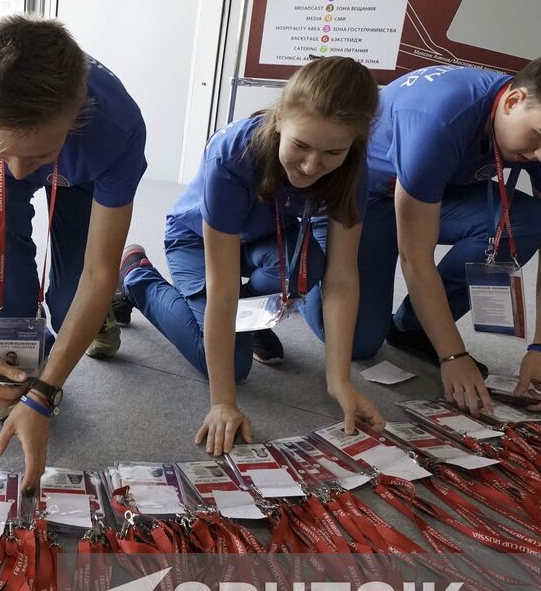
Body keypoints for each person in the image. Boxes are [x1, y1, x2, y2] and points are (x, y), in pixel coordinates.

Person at [306, 40, 541, 417]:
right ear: (512, 101)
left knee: (531, 221)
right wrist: (453, 355)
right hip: (365, 198)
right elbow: (414, 255)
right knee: (357, 342)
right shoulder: (440, 119)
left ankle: (413, 328)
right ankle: (301, 279)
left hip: (440, 194)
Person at [117, 56, 385, 454]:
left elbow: (343, 279)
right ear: (279, 121)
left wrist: (339, 380)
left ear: (354, 143)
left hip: (267, 237)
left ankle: (252, 318)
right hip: (196, 238)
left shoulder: (352, 168)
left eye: (332, 152)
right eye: (301, 145)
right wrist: (223, 403)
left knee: (307, 267)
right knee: (232, 368)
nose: (312, 165)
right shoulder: (231, 155)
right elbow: (224, 291)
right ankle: (137, 276)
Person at [0, 16, 147, 492]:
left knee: (76, 306)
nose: (22, 169)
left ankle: (97, 316)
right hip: (6, 163)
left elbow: (99, 266)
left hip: (79, 177)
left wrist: (44, 394)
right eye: (2, 144)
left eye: (39, 154)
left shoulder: (116, 126)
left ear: (76, 113)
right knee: (0, 253)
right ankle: (29, 319)